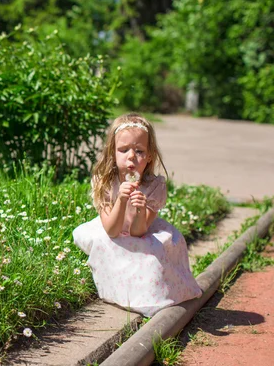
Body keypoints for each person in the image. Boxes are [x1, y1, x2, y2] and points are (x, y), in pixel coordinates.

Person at [73, 113, 202, 317]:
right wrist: (121, 201)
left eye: (139, 151)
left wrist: (141, 210)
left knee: (152, 256)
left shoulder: (154, 186)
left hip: (142, 231)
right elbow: (112, 230)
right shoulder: (105, 182)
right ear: (112, 153)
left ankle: (155, 296)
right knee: (108, 248)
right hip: (112, 230)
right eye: (123, 150)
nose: (131, 156)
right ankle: (119, 292)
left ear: (150, 155)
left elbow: (139, 231)